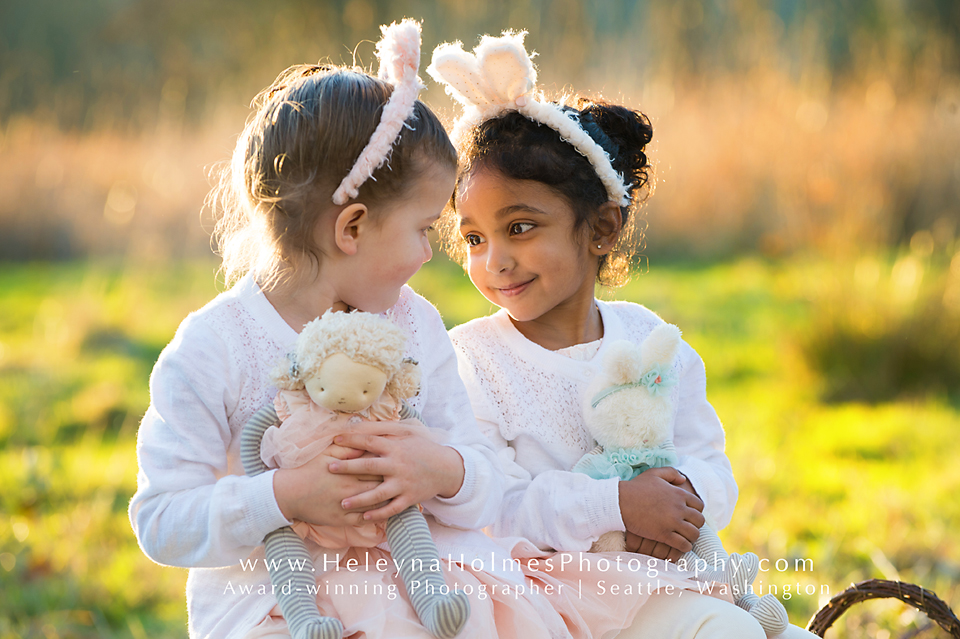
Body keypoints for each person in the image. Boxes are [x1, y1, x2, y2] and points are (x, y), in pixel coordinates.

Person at [128, 21, 564, 639]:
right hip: (281, 606)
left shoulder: (412, 323)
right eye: (422, 229)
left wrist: (442, 470)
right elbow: (162, 521)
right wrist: (281, 496)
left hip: (425, 581)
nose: (429, 252)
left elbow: (487, 480)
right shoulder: (211, 349)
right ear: (352, 228)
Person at [430, 31, 819, 639]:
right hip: (548, 596)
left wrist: (677, 497)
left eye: (521, 227)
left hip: (667, 576)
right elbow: (494, 507)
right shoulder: (474, 361)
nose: (494, 261)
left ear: (601, 230)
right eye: (475, 238)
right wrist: (615, 505)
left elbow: (711, 463)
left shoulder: (652, 341)